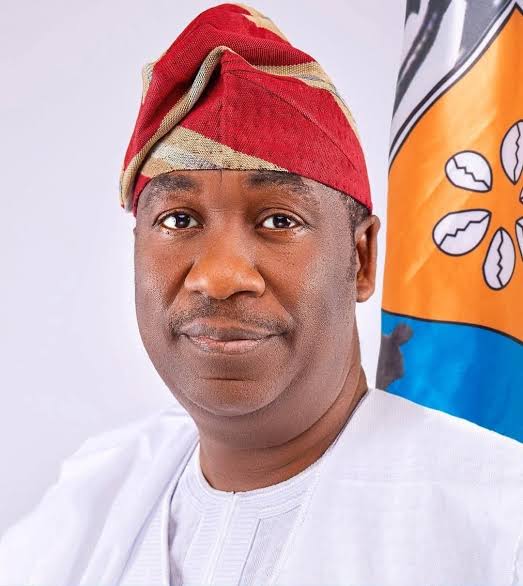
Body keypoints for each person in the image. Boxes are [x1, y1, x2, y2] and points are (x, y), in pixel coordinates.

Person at [1, 4, 521, 585]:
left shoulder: (499, 527)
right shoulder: (88, 504)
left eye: (278, 220)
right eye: (178, 219)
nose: (219, 276)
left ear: (360, 258)